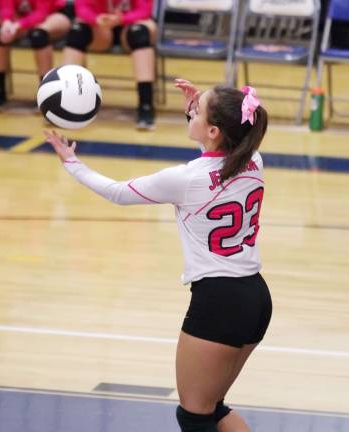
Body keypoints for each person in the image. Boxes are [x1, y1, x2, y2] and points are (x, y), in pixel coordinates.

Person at [45, 78, 272, 432]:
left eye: (196, 110)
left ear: (212, 130)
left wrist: (71, 162)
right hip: (256, 298)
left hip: (220, 302)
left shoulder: (185, 179)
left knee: (195, 415)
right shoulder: (253, 159)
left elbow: (119, 193)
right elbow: (219, 151)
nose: (191, 109)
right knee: (212, 410)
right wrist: (196, 113)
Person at [62, 0, 157, 131]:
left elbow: (145, 9)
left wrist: (122, 18)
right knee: (77, 31)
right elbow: (82, 8)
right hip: (101, 27)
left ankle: (146, 105)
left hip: (130, 24)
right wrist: (96, 19)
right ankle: (68, 101)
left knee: (139, 33)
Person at [0, 0, 72, 110]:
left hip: (52, 15)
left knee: (38, 35)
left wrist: (19, 25)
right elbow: (6, 6)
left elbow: (42, 13)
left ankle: (46, 91)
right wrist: (7, 22)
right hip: (22, 16)